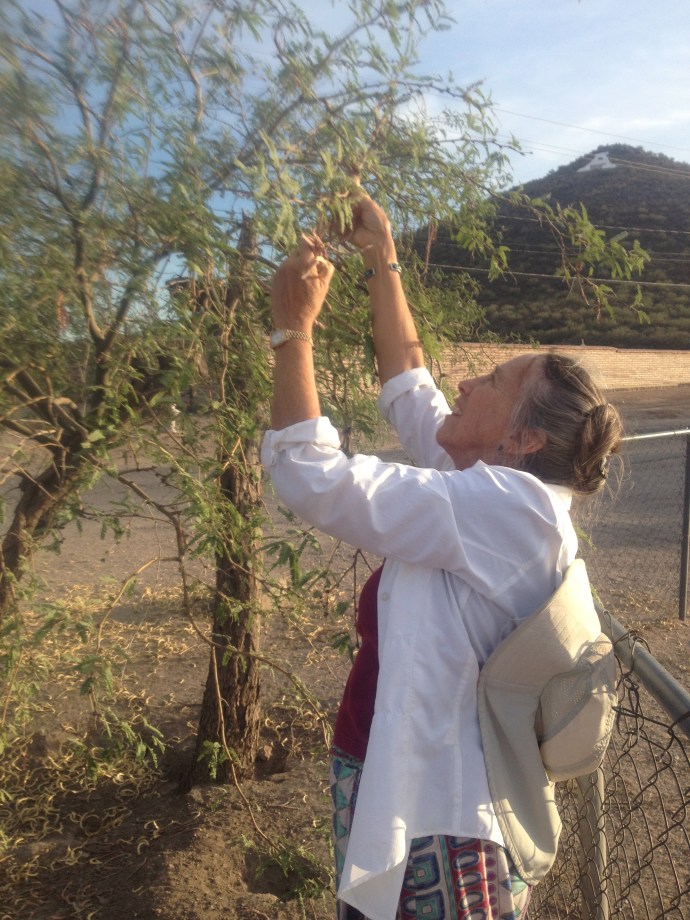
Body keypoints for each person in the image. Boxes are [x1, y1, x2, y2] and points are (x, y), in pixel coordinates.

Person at [261, 193, 622, 920]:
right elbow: (408, 382)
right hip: (393, 786)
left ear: (521, 441)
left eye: (492, 381)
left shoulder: (512, 511)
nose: (464, 382)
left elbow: (313, 475)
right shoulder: (485, 488)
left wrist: (290, 332)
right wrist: (381, 257)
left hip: (439, 826)